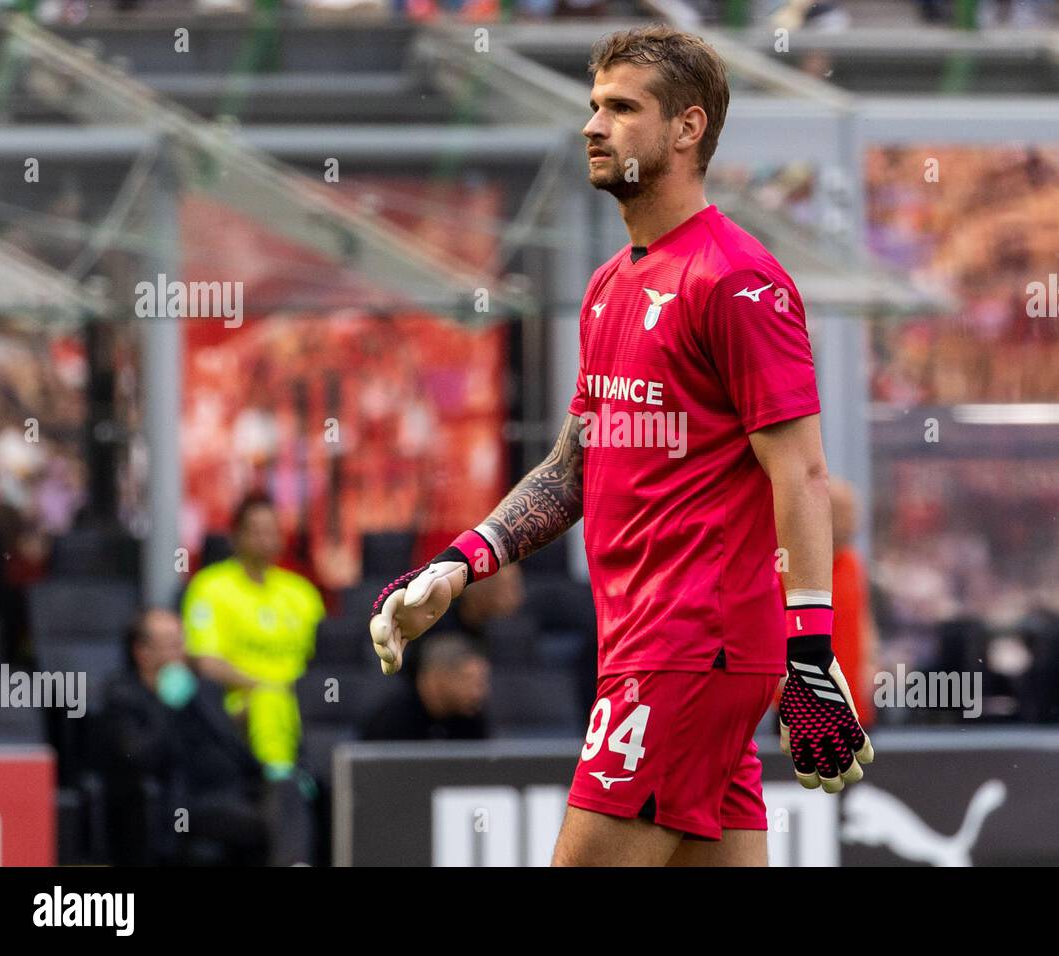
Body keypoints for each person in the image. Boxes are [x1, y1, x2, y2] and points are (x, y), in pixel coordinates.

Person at [370, 26, 872, 868]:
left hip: (684, 654)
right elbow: (574, 465)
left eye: (622, 108)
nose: (593, 126)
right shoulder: (609, 286)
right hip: (657, 650)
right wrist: (460, 566)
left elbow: (804, 474)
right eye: (594, 105)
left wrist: (812, 652)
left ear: (688, 128)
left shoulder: (739, 282)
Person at [100, 609, 272, 865]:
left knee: (289, 789)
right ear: (142, 652)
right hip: (186, 800)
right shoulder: (124, 696)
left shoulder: (203, 688)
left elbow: (229, 743)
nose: (180, 652)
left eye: (181, 642)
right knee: (265, 821)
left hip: (236, 787)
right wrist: (166, 705)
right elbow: (138, 758)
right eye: (171, 644)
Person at [181, 491, 325, 775]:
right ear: (235, 537)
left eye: (272, 531)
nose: (265, 539)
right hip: (238, 701)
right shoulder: (209, 588)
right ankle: (278, 782)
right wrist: (264, 685)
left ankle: (314, 782)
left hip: (300, 700)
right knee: (268, 701)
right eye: (256, 531)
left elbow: (325, 657)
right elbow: (205, 661)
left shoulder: (302, 593)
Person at [359, 632, 489, 741]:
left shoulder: (472, 720)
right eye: (467, 680)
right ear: (437, 678)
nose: (478, 693)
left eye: (481, 682)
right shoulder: (391, 723)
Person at [829, 477, 879, 731]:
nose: (853, 522)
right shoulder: (789, 567)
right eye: (844, 512)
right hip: (809, 705)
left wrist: (870, 663)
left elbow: (863, 618)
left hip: (854, 700)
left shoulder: (852, 562)